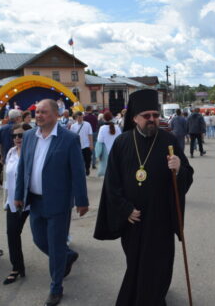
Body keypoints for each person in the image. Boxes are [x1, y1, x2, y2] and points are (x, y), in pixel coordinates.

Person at [94, 89, 194, 306]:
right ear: (135, 118)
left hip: (162, 218)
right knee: (137, 262)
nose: (152, 120)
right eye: (147, 116)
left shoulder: (169, 140)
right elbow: (112, 183)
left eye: (155, 116)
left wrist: (180, 169)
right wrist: (125, 209)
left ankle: (155, 298)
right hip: (134, 219)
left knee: (160, 263)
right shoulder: (122, 143)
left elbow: (187, 175)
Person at [14, 99, 89, 306]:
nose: (38, 115)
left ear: (56, 115)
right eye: (37, 112)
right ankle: (67, 255)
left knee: (55, 246)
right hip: (35, 201)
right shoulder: (29, 136)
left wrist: (81, 200)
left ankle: (56, 287)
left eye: (44, 112)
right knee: (39, 240)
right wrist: (19, 194)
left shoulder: (68, 139)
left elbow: (78, 172)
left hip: (58, 202)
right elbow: (23, 168)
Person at [3, 123, 32, 285]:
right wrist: (6, 200)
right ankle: (17, 267)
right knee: (12, 234)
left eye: (20, 135)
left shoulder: (33, 153)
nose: (17, 139)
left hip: (33, 201)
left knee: (42, 237)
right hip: (14, 202)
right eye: (14, 136)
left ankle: (66, 256)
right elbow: (7, 180)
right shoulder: (11, 152)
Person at [95, 111, 121, 177]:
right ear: (112, 117)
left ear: (104, 118)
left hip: (105, 152)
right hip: (116, 152)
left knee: (107, 173)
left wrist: (98, 154)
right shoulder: (117, 127)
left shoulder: (102, 128)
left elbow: (99, 141)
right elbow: (120, 139)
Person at [70, 111, 94, 176]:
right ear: (76, 118)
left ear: (83, 117)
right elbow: (72, 137)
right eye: (78, 117)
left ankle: (87, 168)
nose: (80, 119)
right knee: (79, 160)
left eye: (81, 117)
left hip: (86, 145)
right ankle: (81, 171)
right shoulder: (73, 126)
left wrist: (91, 144)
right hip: (78, 146)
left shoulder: (87, 124)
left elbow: (90, 134)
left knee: (88, 159)